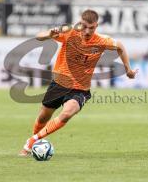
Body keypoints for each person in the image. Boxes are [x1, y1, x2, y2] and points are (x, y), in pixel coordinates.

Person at [19, 9, 137, 156]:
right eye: (85, 26)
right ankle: (35, 140)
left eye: (92, 28)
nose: (87, 31)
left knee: (67, 113)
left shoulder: (102, 41)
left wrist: (128, 69)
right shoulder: (68, 32)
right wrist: (49, 34)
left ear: (97, 26)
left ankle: (31, 142)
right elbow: (39, 36)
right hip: (59, 83)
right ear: (80, 23)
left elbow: (120, 47)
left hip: (80, 89)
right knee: (43, 117)